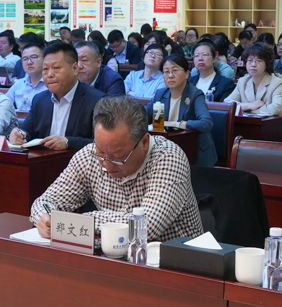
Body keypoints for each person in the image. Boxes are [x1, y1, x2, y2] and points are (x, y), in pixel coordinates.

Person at [29, 95, 202, 242]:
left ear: (144, 142)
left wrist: (77, 221)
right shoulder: (89, 156)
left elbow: (145, 227)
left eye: (117, 156)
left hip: (177, 261)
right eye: (100, 152)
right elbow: (45, 201)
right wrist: (44, 218)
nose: (106, 163)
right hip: (117, 255)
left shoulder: (168, 157)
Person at [8, 41, 107, 152]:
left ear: (75, 68)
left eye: (56, 68)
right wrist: (19, 135)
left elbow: (104, 143)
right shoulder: (40, 100)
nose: (50, 74)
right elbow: (27, 131)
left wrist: (68, 142)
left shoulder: (97, 101)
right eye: (45, 69)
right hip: (43, 160)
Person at [146, 52, 216, 167]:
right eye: (166, 71)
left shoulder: (195, 94)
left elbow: (206, 123)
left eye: (175, 70)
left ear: (187, 74)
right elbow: (143, 113)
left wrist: (177, 123)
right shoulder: (160, 93)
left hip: (195, 153)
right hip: (167, 151)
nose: (170, 75)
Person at [227, 44, 282, 125]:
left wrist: (254, 111)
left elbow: (278, 108)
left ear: (267, 63)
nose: (253, 64)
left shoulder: (277, 82)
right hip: (248, 126)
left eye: (258, 61)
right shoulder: (242, 81)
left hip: (274, 127)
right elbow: (228, 103)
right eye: (250, 60)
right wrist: (250, 106)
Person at [7, 41, 49, 111]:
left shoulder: (51, 84)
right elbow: (4, 104)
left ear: (44, 59)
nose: (29, 62)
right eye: (25, 59)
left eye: (34, 57)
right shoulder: (19, 84)